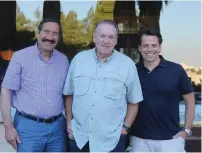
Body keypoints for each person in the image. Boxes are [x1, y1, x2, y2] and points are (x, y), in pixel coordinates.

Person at [63, 20, 143, 152]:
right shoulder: (78, 60)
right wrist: (69, 123)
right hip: (79, 137)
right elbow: (69, 94)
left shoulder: (127, 65)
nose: (106, 41)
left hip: (112, 141)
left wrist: (125, 128)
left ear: (116, 40)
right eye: (102, 36)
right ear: (94, 37)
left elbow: (134, 101)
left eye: (111, 37)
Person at [0, 18, 69, 152]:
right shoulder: (20, 57)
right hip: (28, 128)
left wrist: (68, 123)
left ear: (59, 37)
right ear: (38, 33)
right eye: (46, 32)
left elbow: (67, 94)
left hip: (57, 129)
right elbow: (6, 91)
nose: (50, 37)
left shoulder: (64, 60)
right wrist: (8, 127)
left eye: (55, 33)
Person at [128, 28, 195, 152]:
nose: (150, 49)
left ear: (160, 47)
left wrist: (187, 130)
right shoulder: (132, 71)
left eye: (154, 45)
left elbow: (190, 101)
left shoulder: (176, 70)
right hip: (139, 142)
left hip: (171, 141)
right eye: (146, 45)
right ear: (139, 48)